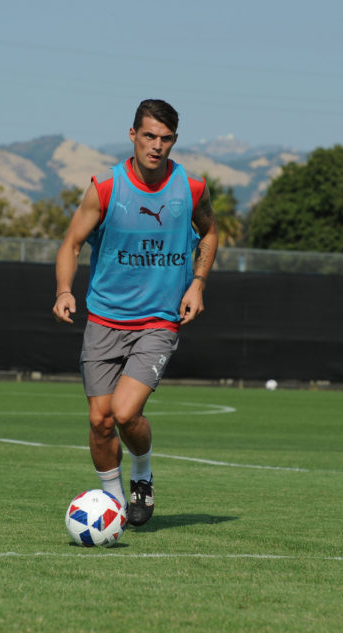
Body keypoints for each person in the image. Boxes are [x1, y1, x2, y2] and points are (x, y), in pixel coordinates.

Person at [52, 99, 219, 525]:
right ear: (132, 135)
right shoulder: (105, 187)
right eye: (149, 136)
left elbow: (211, 234)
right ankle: (113, 504)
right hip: (105, 318)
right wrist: (64, 290)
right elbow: (71, 243)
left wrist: (197, 284)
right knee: (100, 421)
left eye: (165, 139)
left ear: (174, 141)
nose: (157, 146)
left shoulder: (191, 188)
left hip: (159, 321)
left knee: (125, 414)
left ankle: (141, 474)